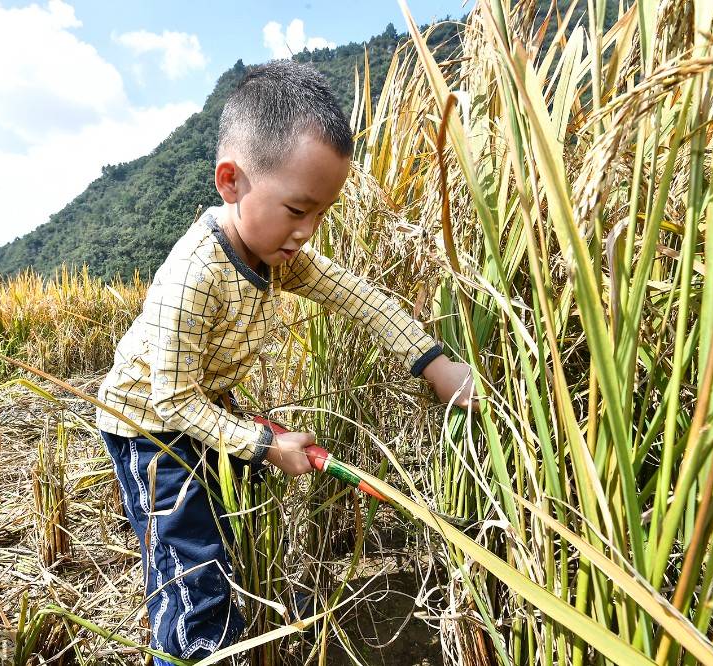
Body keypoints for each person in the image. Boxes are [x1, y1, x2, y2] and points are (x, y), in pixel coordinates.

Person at [96, 59, 475, 665]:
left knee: (231, 520)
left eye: (322, 214)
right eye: (298, 210)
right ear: (232, 181)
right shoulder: (193, 274)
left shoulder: (278, 253)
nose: (309, 232)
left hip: (207, 405)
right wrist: (265, 443)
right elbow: (169, 401)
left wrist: (433, 362)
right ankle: (191, 650)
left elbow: (358, 298)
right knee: (190, 570)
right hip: (149, 428)